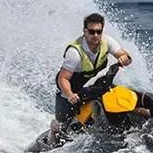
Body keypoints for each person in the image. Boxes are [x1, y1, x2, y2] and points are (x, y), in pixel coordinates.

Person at [51, 12, 133, 144]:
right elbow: (63, 79)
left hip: (94, 86)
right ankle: (55, 132)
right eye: (91, 31)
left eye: (98, 32)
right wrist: (70, 95)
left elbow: (124, 55)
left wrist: (125, 58)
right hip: (72, 90)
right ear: (85, 31)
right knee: (61, 126)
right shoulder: (74, 52)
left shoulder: (107, 41)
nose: (95, 35)